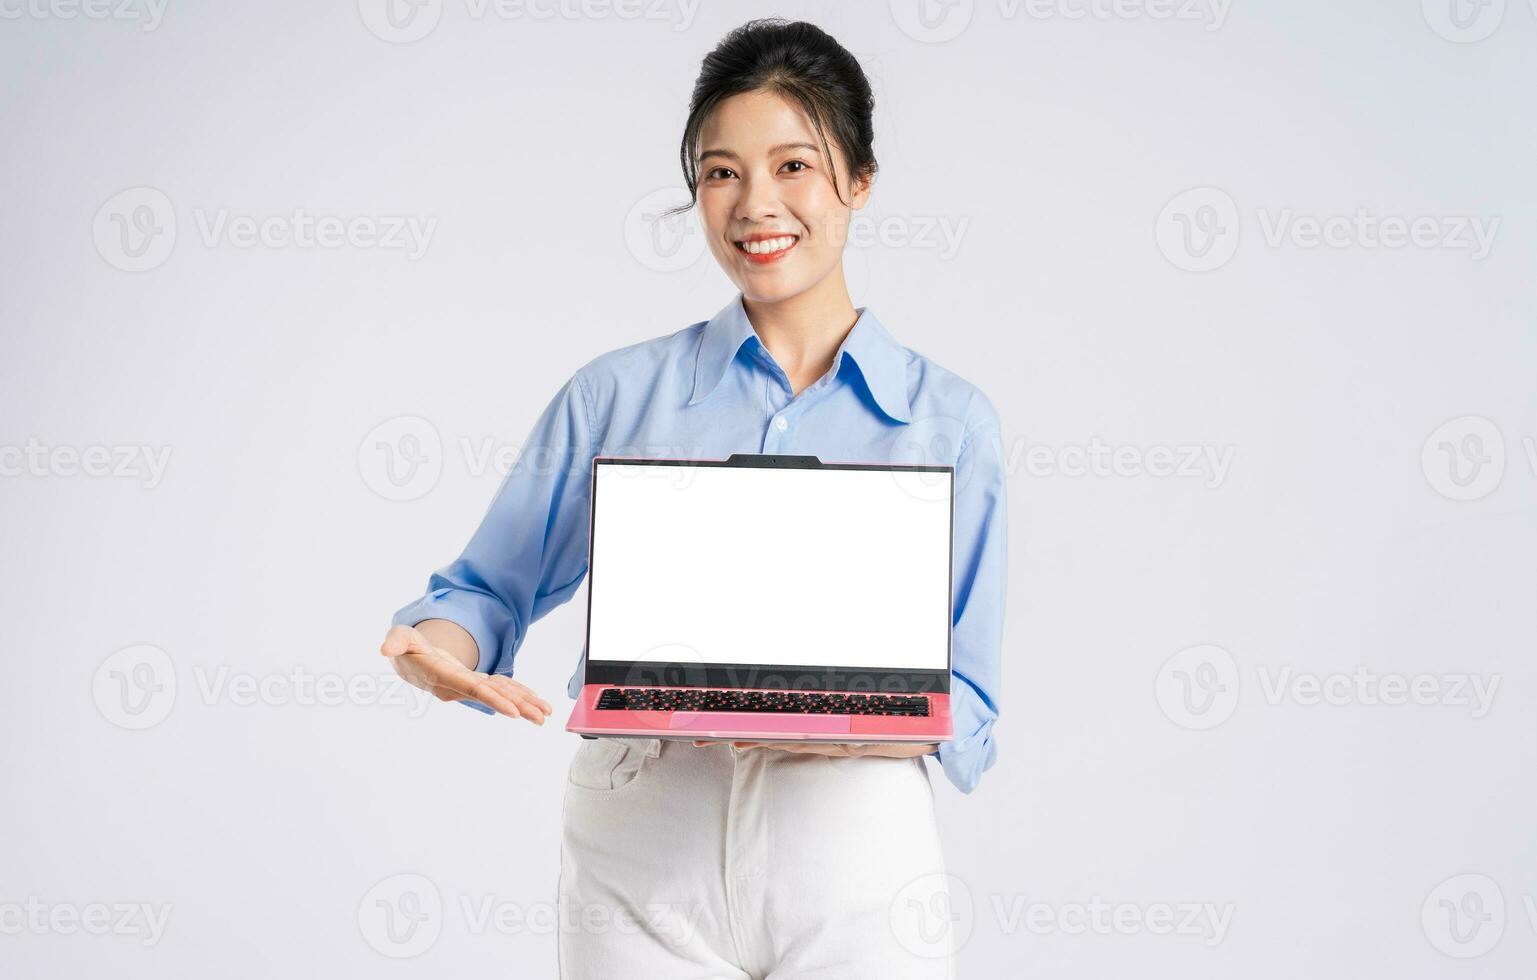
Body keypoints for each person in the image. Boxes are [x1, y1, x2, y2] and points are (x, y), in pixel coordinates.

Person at [379, 18, 1007, 978]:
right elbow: (483, 590)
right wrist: (435, 653)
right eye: (720, 172)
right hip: (643, 840)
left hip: (854, 850)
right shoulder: (615, 395)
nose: (756, 204)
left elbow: (969, 700)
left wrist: (835, 717)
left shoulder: (949, 422)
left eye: (794, 165)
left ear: (859, 181)